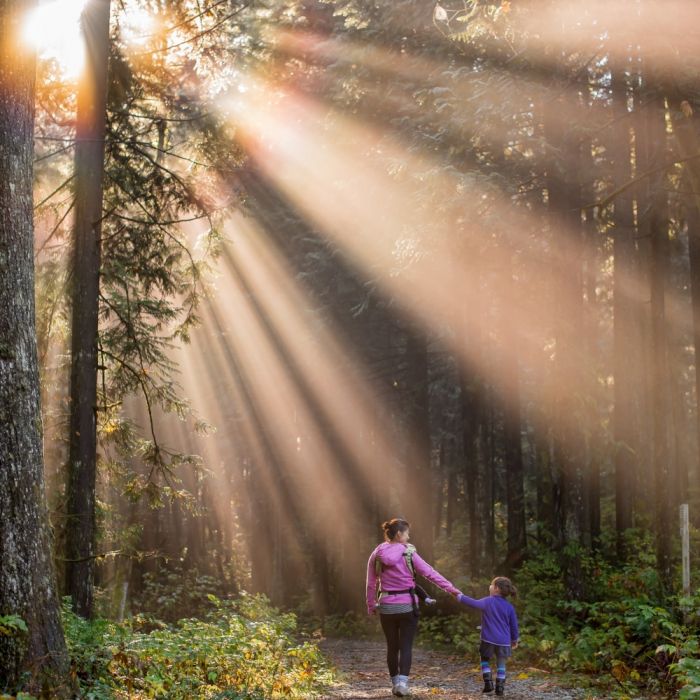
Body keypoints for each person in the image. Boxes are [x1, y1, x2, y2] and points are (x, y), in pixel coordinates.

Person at [366, 518, 462, 697]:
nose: (409, 537)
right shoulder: (408, 553)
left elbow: (371, 583)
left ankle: (394, 684)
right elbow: (430, 573)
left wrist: (371, 605)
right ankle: (403, 684)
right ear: (399, 534)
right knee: (406, 645)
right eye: (407, 533)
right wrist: (452, 590)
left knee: (392, 646)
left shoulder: (377, 553)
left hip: (386, 606)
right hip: (407, 606)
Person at [456, 577, 519, 697]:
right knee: (501, 664)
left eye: (491, 584)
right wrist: (514, 639)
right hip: (504, 642)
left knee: (484, 660)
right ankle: (500, 688)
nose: (489, 586)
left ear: (496, 588)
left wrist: (460, 597)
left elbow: (473, 603)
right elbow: (514, 626)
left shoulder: (488, 601)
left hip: (488, 639)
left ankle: (488, 683)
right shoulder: (509, 607)